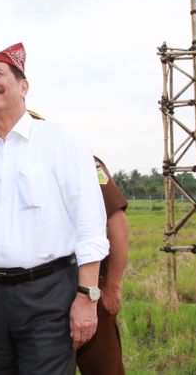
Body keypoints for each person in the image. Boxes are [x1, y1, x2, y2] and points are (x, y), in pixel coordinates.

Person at [0, 42, 109, 374]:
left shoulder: (60, 140)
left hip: (48, 293)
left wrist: (87, 298)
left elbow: (90, 223)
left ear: (23, 86)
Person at [77, 157, 129, 375]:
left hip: (91, 289)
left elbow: (117, 223)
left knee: (103, 367)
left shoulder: (83, 160)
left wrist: (112, 287)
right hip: (43, 294)